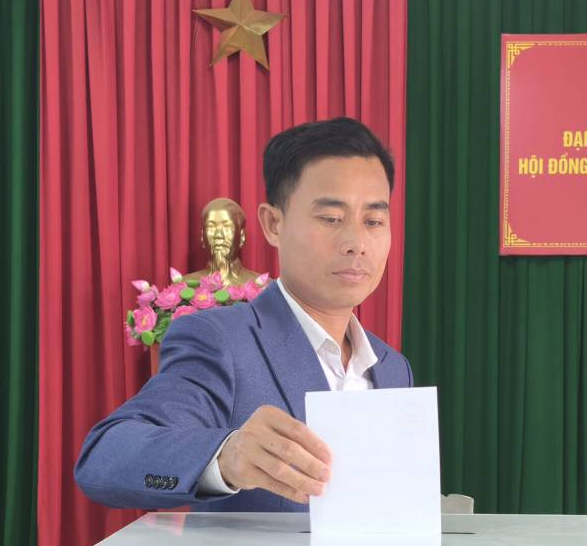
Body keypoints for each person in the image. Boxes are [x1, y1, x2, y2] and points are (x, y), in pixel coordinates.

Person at [74, 116, 414, 511]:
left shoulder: (392, 367)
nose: (357, 242)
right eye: (331, 219)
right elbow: (104, 459)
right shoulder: (220, 341)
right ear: (273, 224)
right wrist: (226, 456)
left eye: (374, 221)